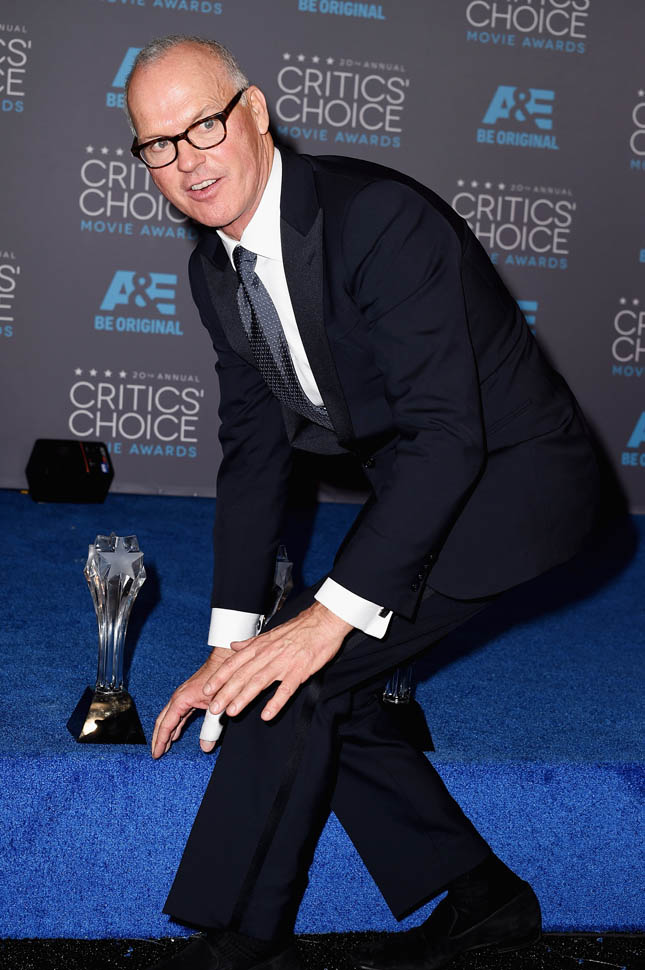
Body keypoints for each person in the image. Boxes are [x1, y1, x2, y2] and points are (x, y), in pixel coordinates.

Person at [125, 34, 600, 970]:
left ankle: (238, 942)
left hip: (517, 484)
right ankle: (485, 900)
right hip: (428, 482)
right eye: (158, 144)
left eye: (204, 126)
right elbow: (254, 454)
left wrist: (322, 620)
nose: (186, 160)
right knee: (292, 672)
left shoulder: (377, 218)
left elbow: (447, 436)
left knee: (298, 677)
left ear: (254, 114)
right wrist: (232, 637)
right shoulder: (213, 269)